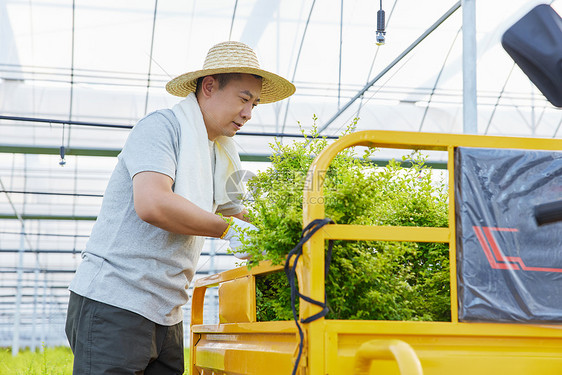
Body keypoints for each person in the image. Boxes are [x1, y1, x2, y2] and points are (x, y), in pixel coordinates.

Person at [65, 41, 295, 375]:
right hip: (115, 302)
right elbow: (153, 203)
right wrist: (227, 230)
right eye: (244, 99)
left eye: (255, 104)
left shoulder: (221, 153)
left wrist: (285, 232)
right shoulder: (162, 128)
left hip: (167, 312)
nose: (249, 113)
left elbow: (236, 212)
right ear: (210, 86)